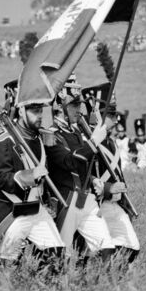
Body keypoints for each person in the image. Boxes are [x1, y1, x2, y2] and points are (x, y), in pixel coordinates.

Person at [0, 85, 65, 270]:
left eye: (40, 110)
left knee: (56, 255)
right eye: (34, 110)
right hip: (13, 210)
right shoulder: (4, 139)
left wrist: (50, 199)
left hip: (36, 208)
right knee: (8, 267)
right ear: (21, 110)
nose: (40, 114)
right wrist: (29, 176)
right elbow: (1, 178)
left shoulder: (39, 138)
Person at [47, 77, 114, 263]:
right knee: (60, 259)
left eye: (79, 105)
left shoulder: (76, 132)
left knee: (106, 247)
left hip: (86, 199)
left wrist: (93, 179)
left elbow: (83, 166)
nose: (79, 110)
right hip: (65, 201)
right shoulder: (51, 136)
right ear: (60, 107)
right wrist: (93, 142)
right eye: (74, 105)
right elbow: (70, 162)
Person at [90, 93, 140, 267]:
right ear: (98, 115)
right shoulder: (89, 142)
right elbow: (84, 176)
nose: (116, 120)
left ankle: (113, 280)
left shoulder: (111, 142)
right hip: (97, 203)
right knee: (102, 250)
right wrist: (107, 188)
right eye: (111, 115)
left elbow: (118, 173)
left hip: (115, 204)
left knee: (131, 247)